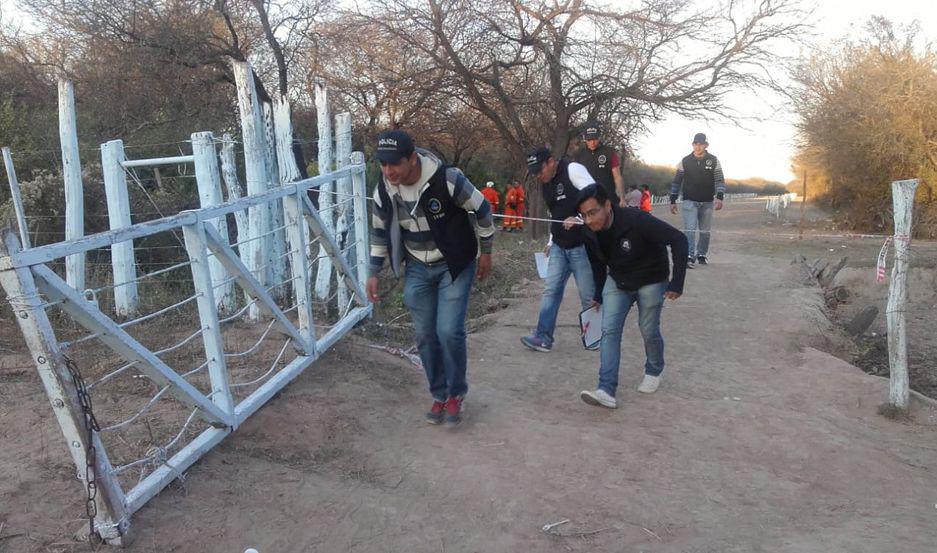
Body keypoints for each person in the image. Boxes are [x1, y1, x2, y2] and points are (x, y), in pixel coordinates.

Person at [367, 129, 495, 427]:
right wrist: (373, 271)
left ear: (412, 159)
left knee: (449, 331)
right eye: (383, 165)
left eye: (395, 164)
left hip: (454, 264)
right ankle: (439, 394)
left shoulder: (446, 180)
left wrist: (486, 252)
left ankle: (456, 394)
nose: (389, 171)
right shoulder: (384, 189)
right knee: (425, 334)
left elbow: (483, 208)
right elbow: (377, 231)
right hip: (417, 267)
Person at [575, 184, 688, 408]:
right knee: (609, 330)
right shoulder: (588, 232)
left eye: (592, 212)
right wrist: (599, 293)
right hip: (618, 280)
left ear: (607, 206)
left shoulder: (637, 220)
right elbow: (597, 263)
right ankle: (606, 389)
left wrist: (677, 282)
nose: (588, 220)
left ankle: (654, 369)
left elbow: (679, 240)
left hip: (651, 280)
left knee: (647, 329)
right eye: (583, 215)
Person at [520, 147, 605, 353]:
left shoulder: (573, 170)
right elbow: (555, 214)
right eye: (535, 173)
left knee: (587, 295)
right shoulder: (545, 184)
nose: (539, 176)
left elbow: (597, 196)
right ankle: (543, 337)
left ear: (550, 162)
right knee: (551, 291)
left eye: (540, 170)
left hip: (582, 246)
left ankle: (595, 337)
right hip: (559, 245)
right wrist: (550, 241)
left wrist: (579, 218)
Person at [669, 133, 726, 267]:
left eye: (700, 144)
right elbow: (676, 181)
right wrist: (672, 200)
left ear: (706, 145)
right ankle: (689, 255)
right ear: (693, 145)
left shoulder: (713, 160)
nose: (698, 146)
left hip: (707, 201)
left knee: (705, 231)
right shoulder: (685, 161)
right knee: (689, 229)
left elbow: (719, 180)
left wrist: (720, 197)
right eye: (695, 144)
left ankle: (702, 254)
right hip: (690, 200)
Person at [573, 121, 626, 207]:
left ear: (599, 137)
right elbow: (574, 177)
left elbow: (617, 177)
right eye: (589, 140)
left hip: (608, 199)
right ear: (585, 139)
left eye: (595, 139)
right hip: (587, 200)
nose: (592, 142)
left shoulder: (609, 152)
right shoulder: (578, 154)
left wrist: (622, 198)